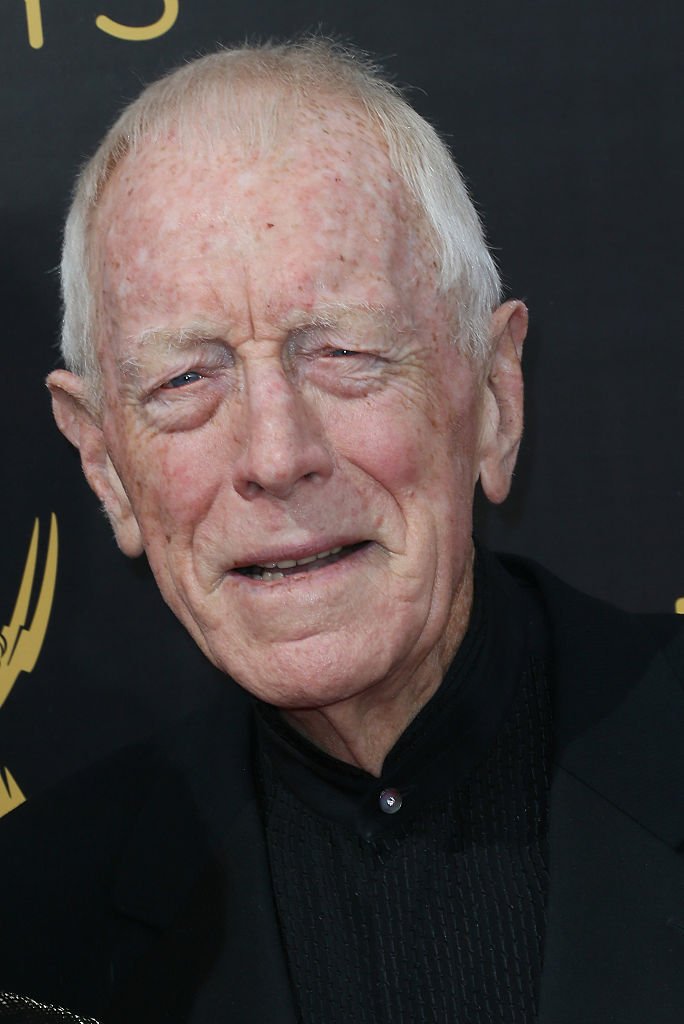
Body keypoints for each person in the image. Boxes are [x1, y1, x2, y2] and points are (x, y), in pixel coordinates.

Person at [1, 38, 683, 1024]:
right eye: (187, 380)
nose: (277, 456)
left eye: (346, 353)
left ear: (495, 397)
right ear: (106, 465)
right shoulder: (32, 929)